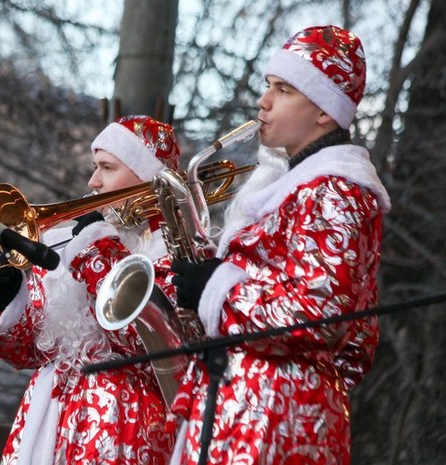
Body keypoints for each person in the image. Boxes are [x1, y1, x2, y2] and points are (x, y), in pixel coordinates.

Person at [167, 25, 391, 464]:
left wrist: (217, 290)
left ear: (325, 110)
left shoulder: (338, 191)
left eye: (283, 90)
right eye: (268, 86)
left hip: (277, 416)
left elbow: (319, 315)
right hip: (251, 406)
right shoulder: (302, 187)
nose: (262, 102)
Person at [0, 115, 181, 465]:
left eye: (107, 167)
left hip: (123, 428)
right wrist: (4, 302)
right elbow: (24, 353)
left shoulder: (177, 250)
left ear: (146, 176)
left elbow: (145, 341)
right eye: (94, 167)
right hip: (47, 424)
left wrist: (97, 251)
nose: (93, 181)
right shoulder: (76, 243)